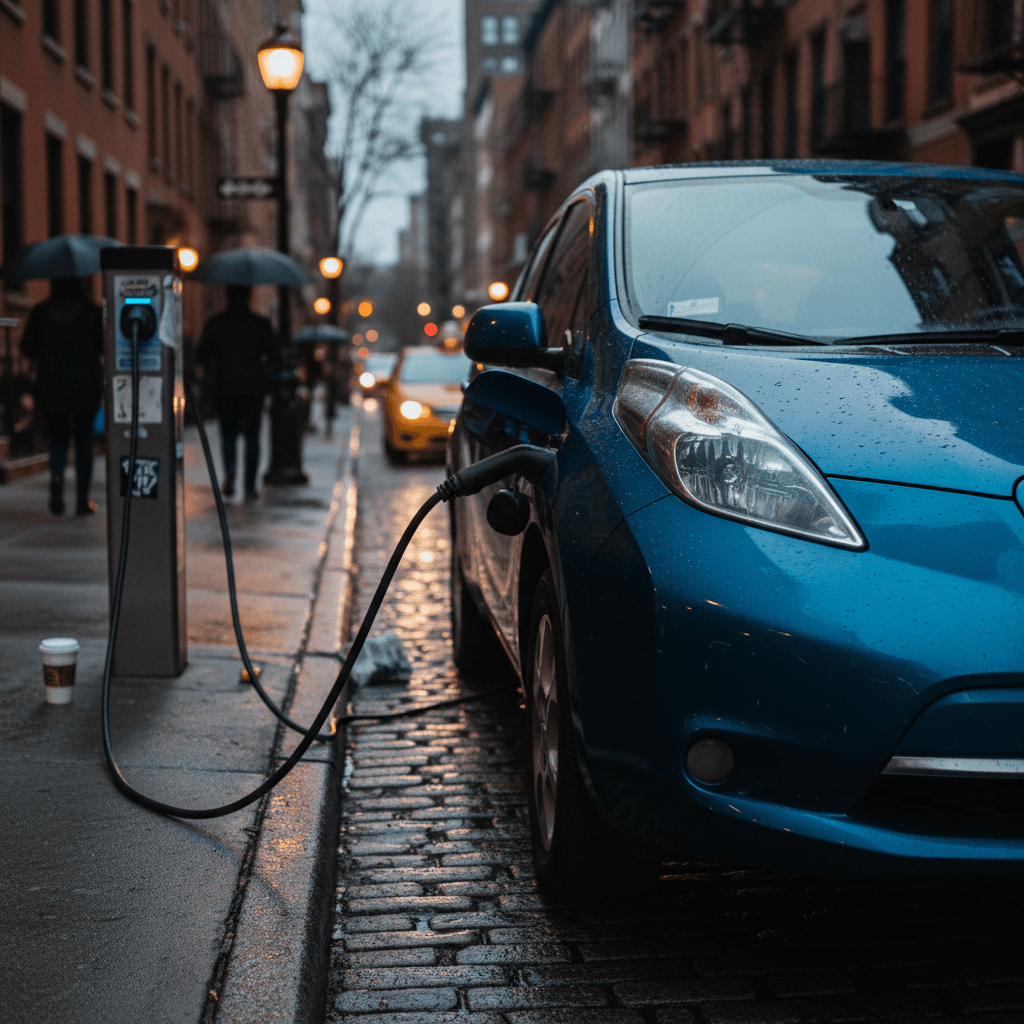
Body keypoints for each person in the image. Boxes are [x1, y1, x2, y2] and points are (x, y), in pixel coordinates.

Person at [20, 277, 104, 516]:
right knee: (84, 442)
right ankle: (82, 499)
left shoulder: (40, 312)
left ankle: (56, 484)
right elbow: (103, 345)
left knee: (58, 439)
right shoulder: (92, 312)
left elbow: (27, 347)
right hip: (85, 386)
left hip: (52, 385)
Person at [196, 285, 276, 500]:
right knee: (252, 438)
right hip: (252, 387)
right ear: (249, 297)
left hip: (225, 386)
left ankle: (230, 470)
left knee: (228, 435)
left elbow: (202, 354)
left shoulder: (216, 323)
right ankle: (249, 486)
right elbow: (274, 353)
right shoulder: (259, 323)